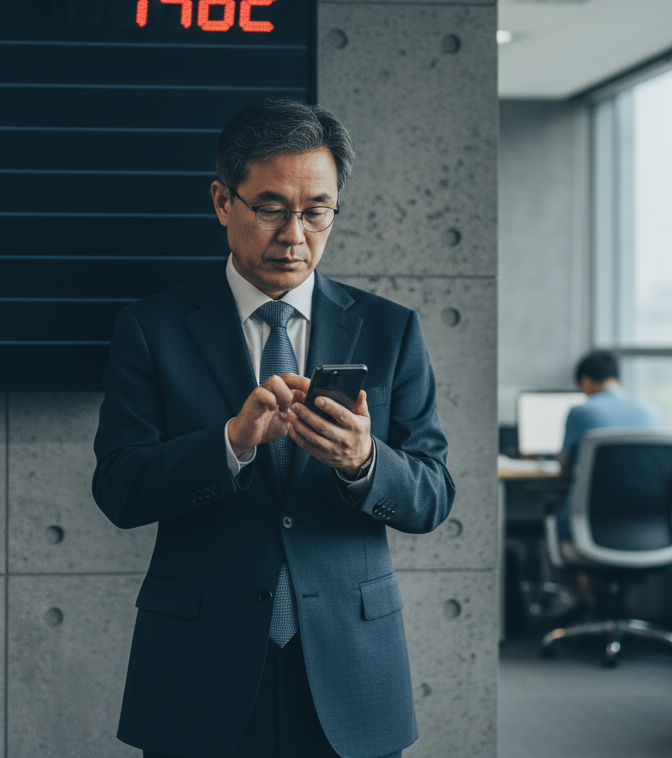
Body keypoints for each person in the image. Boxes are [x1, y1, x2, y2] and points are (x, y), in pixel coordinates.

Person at [92, 98, 455, 758]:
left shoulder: (391, 328)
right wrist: (230, 443)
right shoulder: (152, 328)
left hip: (352, 667)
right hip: (199, 667)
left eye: (317, 210)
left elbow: (433, 495)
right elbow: (119, 489)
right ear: (222, 202)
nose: (295, 234)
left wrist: (364, 461)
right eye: (270, 207)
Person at [555, 350, 662, 549]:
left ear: (586, 382)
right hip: (645, 524)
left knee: (562, 530)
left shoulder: (581, 412)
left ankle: (582, 579)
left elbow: (565, 467)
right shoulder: (652, 411)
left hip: (592, 522)